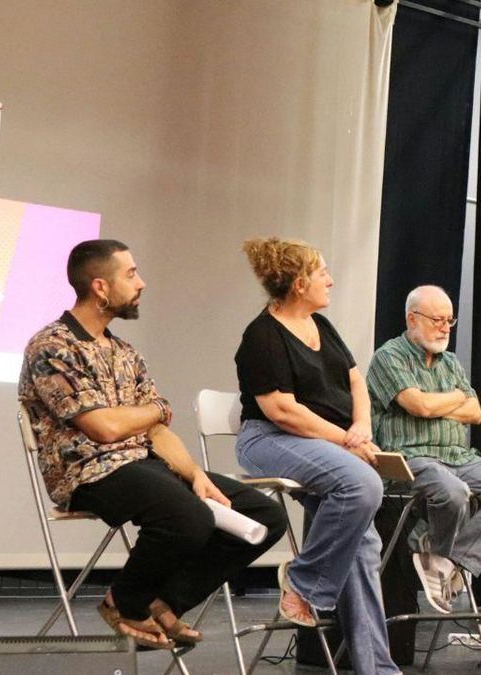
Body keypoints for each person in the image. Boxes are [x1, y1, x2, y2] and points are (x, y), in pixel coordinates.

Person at [18, 239, 287, 651]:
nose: (141, 283)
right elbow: (104, 428)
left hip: (144, 464)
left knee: (264, 515)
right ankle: (124, 601)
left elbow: (159, 431)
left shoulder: (126, 353)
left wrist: (195, 474)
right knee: (190, 518)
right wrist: (156, 410)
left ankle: (164, 602)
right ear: (100, 287)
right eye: (130, 274)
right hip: (89, 472)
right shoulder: (53, 346)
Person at [233, 237, 400, 675]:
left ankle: (377, 670)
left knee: (362, 542)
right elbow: (282, 411)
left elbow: (356, 383)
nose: (331, 280)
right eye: (323, 272)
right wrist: (347, 440)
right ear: (300, 282)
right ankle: (304, 582)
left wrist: (361, 427)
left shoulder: (321, 326)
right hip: (269, 440)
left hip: (323, 441)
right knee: (364, 483)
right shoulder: (262, 336)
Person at [367, 285, 481, 613]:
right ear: (412, 319)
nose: (445, 327)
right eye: (437, 319)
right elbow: (419, 405)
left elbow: (477, 412)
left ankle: (445, 561)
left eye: (450, 321)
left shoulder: (451, 362)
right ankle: (435, 553)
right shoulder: (388, 356)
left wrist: (437, 402)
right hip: (411, 457)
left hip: (458, 456)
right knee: (453, 493)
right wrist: (456, 398)